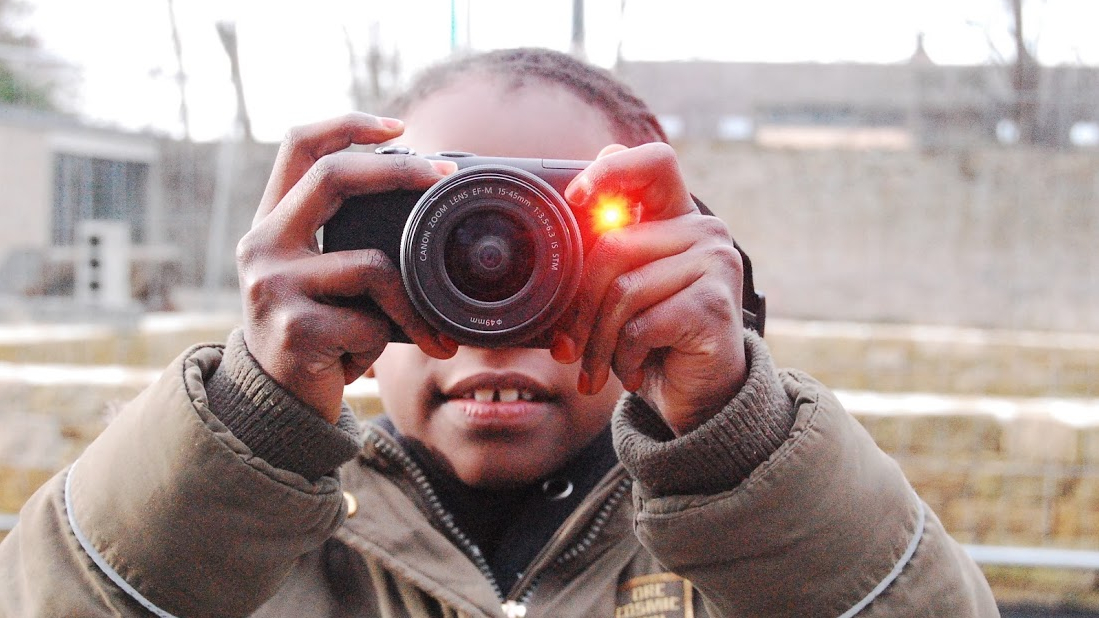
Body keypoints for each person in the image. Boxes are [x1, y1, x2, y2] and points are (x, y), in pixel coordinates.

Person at [0, 47, 998, 617]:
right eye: (440, 231)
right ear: (339, 234)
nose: (496, 309)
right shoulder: (237, 547)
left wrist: (739, 437)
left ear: (670, 247)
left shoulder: (745, 553)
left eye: (552, 236)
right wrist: (247, 421)